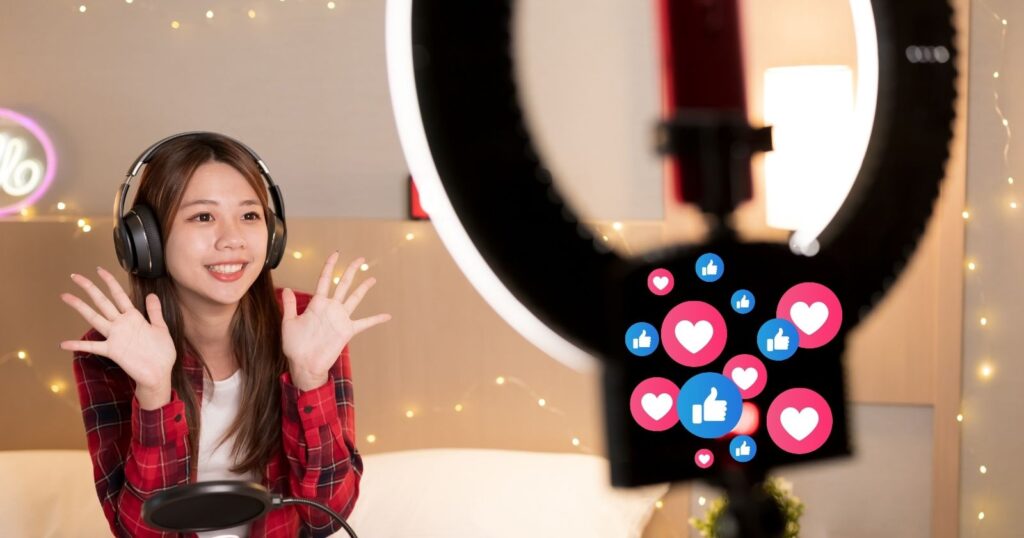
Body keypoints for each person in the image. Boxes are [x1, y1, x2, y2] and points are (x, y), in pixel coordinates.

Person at [60, 132, 391, 537]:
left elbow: (326, 515)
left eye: (250, 216)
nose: (232, 239)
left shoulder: (309, 321)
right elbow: (141, 534)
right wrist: (153, 393)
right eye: (203, 217)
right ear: (147, 240)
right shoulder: (110, 348)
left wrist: (310, 379)